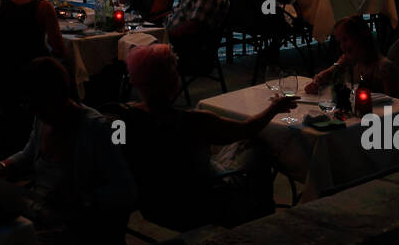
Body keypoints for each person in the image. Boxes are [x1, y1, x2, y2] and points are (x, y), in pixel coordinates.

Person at [108, 44, 295, 229]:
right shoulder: (192, 122)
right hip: (204, 203)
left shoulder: (126, 118)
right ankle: (262, 221)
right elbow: (247, 128)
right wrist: (274, 108)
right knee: (257, 146)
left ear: (137, 81)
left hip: (154, 206)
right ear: (174, 81)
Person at [0, 58, 136, 245]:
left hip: (72, 226)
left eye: (38, 106)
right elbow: (28, 156)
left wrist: (81, 198)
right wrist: (3, 166)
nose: (35, 112)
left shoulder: (96, 130)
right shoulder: (43, 119)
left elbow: (126, 192)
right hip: (35, 213)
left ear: (57, 97)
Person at [304, 16, 399, 97]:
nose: (342, 46)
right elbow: (329, 73)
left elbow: (395, 105)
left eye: (346, 39)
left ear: (362, 36)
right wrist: (317, 82)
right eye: (340, 42)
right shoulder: (348, 60)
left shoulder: (384, 68)